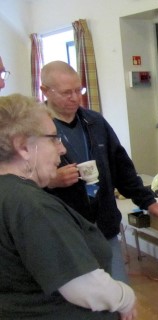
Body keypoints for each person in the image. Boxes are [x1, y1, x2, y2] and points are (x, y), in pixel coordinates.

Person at [40, 61, 158, 283]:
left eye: (79, 90)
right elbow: (19, 182)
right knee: (78, 300)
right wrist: (51, 181)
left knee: (117, 290)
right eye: (67, 92)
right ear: (45, 91)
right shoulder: (35, 130)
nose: (75, 98)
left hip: (104, 226)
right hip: (63, 234)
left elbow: (121, 167)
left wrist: (148, 201)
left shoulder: (95, 122)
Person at [0, 94, 137, 320]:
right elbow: (82, 285)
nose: (61, 149)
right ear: (23, 147)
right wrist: (125, 297)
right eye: (53, 139)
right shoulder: (30, 205)